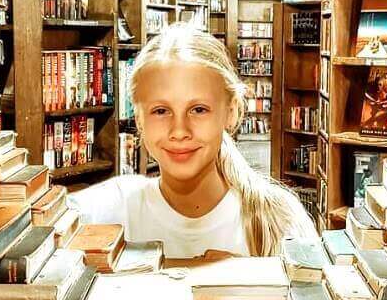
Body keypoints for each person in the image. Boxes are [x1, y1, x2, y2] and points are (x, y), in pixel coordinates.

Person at [71, 23, 319, 258]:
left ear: (230, 112)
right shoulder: (111, 209)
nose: (179, 131)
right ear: (139, 119)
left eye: (198, 109)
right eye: (161, 111)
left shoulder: (279, 220)